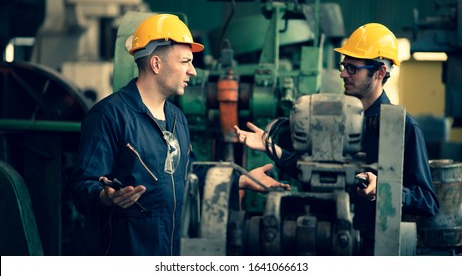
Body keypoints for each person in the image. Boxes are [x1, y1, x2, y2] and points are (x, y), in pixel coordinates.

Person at [70, 13, 289, 256]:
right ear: (156, 64)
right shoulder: (109, 116)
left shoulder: (176, 118)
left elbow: (187, 172)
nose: (193, 71)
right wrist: (104, 196)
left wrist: (241, 179)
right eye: (185, 61)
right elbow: (82, 184)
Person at [235, 23, 439, 255]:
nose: (343, 74)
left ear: (380, 72)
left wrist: (384, 189)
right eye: (344, 66)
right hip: (320, 240)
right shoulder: (332, 118)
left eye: (352, 68)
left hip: (367, 251)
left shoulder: (405, 128)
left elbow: (428, 202)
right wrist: (269, 146)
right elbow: (312, 172)